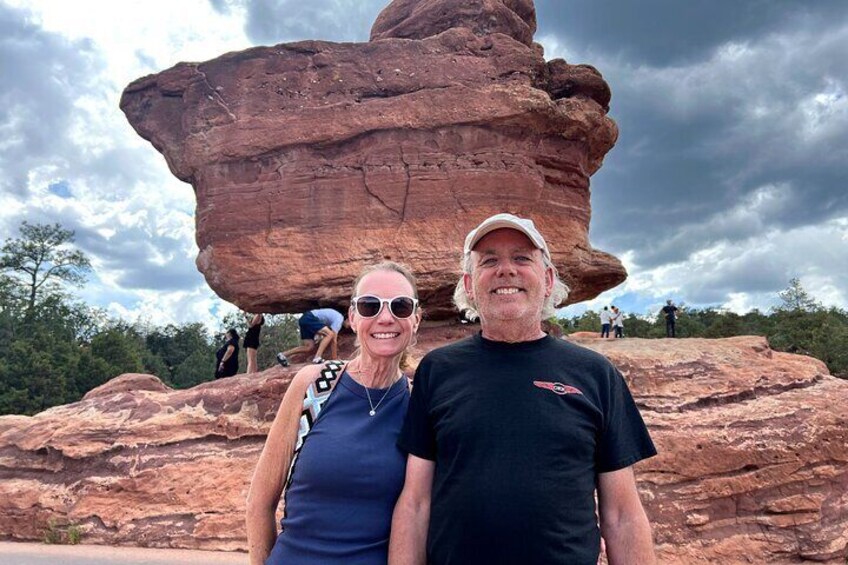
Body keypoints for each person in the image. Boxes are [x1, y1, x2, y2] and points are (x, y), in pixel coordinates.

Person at [389, 213, 657, 565]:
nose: (506, 270)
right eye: (489, 261)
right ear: (469, 285)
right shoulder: (437, 371)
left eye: (521, 258)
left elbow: (621, 512)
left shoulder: (596, 374)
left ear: (547, 279)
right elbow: (416, 502)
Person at [247, 262, 422, 565]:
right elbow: (260, 502)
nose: (385, 317)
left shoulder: (418, 403)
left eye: (400, 306)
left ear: (416, 319)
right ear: (353, 317)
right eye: (369, 306)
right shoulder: (314, 385)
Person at [277, 308, 346, 366]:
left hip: (304, 319)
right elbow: (333, 340)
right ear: (348, 318)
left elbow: (321, 328)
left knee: (309, 347)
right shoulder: (340, 319)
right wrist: (335, 359)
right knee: (330, 334)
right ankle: (317, 357)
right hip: (310, 317)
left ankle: (283, 355)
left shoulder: (335, 317)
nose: (351, 326)